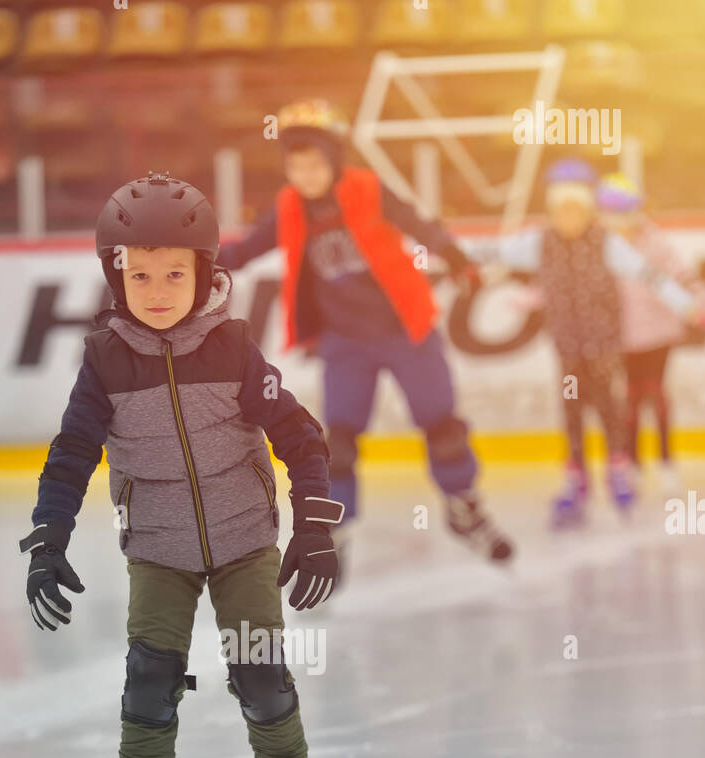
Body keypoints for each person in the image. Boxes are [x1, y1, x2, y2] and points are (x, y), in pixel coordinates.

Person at [19, 173, 344, 758]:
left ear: (205, 275)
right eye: (140, 275)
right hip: (158, 548)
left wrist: (316, 524)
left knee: (260, 674)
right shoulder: (104, 359)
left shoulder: (231, 347)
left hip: (243, 541)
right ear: (115, 277)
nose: (157, 289)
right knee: (148, 681)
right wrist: (49, 539)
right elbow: (72, 452)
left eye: (175, 273)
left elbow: (299, 435)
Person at [217, 99, 514, 565]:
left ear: (334, 161)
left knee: (442, 427)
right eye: (296, 166)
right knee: (339, 443)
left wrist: (455, 258)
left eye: (315, 164)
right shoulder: (289, 207)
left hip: (405, 330)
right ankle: (336, 533)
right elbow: (250, 247)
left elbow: (418, 224)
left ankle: (464, 508)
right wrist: (198, 261)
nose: (306, 175)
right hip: (345, 342)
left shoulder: (367, 189)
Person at [463, 159, 701, 528]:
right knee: (573, 410)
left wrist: (685, 304)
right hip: (568, 352)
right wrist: (434, 252)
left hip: (604, 348)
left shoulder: (605, 242)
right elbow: (491, 251)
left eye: (576, 209)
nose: (568, 218)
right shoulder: (539, 242)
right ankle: (576, 480)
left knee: (610, 409)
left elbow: (648, 275)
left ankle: (618, 471)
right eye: (561, 209)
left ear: (588, 210)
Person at [597, 172, 703, 494]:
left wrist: (697, 304)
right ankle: (633, 461)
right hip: (620, 338)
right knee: (629, 398)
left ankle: (666, 459)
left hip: (657, 334)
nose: (623, 221)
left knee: (655, 394)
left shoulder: (654, 241)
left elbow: (681, 276)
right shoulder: (600, 245)